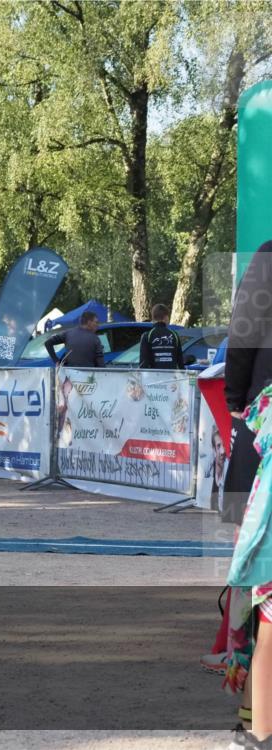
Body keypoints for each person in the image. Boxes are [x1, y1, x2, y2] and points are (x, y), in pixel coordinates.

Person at [221, 243, 272, 749]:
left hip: (263, 436)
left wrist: (237, 404)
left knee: (260, 585)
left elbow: (242, 336)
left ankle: (257, 713)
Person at [139, 304, 184, 370]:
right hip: (171, 378)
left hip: (153, 378)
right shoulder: (174, 335)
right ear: (166, 317)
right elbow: (180, 362)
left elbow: (143, 363)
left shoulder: (147, 336)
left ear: (153, 318)